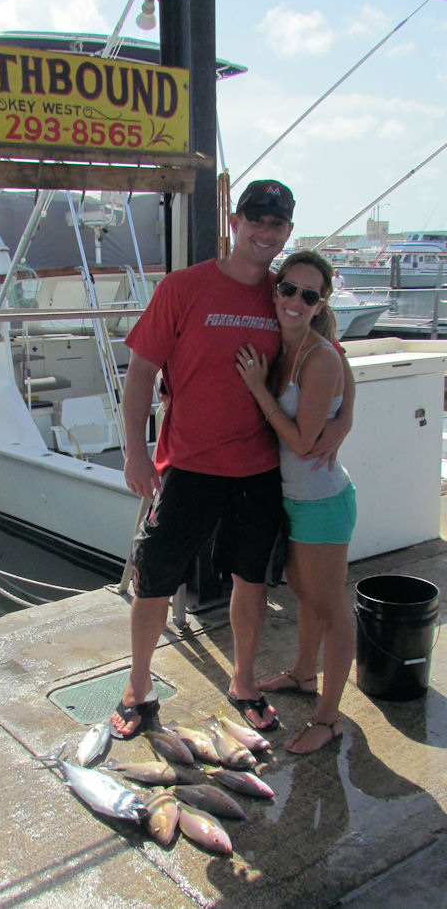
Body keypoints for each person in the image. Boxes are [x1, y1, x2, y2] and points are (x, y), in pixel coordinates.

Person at [110, 180, 354, 740]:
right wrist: (135, 452)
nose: (265, 232)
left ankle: (243, 683)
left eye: (276, 224)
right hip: (187, 465)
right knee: (153, 582)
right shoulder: (183, 286)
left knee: (251, 582)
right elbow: (142, 372)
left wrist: (344, 421)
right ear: (235, 222)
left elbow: (334, 357)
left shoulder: (286, 293)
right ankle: (138, 687)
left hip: (259, 469)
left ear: (287, 231)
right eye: (256, 220)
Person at [236, 250, 356, 754]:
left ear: (320, 303)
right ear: (276, 289)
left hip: (322, 504)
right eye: (289, 289)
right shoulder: (286, 344)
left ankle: (328, 719)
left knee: (331, 608)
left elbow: (304, 442)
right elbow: (348, 382)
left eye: (309, 295)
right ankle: (305, 675)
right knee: (306, 594)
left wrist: (258, 390)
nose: (295, 301)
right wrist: (346, 416)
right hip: (295, 499)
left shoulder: (318, 355)